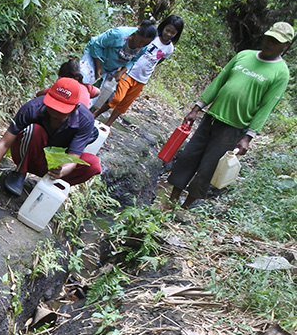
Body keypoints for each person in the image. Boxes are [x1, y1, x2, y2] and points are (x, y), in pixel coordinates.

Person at [166, 21, 293, 209]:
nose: (270, 43)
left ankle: (184, 207)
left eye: (276, 41)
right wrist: (197, 108)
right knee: (189, 156)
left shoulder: (281, 73)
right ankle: (171, 200)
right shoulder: (244, 55)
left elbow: (267, 106)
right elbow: (218, 82)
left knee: (208, 168)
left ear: (286, 45)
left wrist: (248, 137)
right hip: (212, 118)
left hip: (234, 127)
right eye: (269, 38)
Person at [0, 77, 102, 198]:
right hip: (29, 154)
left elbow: (73, 157)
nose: (55, 113)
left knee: (93, 165)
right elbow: (4, 142)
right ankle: (20, 172)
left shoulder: (85, 120)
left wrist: (62, 170)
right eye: (53, 107)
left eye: (61, 111)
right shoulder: (33, 107)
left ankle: (49, 184)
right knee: (34, 130)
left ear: (75, 107)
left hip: (55, 166)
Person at [94, 15, 184, 126]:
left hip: (142, 79)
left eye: (173, 33)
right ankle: (96, 114)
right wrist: (121, 68)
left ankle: (108, 124)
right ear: (163, 27)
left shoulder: (169, 48)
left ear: (177, 34)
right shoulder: (151, 37)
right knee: (116, 98)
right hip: (129, 72)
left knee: (124, 104)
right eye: (167, 30)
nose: (168, 34)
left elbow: (158, 62)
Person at [79, 20, 159, 86]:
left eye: (146, 44)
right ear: (136, 33)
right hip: (94, 57)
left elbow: (133, 61)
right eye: (141, 42)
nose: (142, 45)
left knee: (95, 94)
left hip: (109, 68)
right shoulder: (119, 35)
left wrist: (121, 72)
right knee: (82, 80)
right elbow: (97, 45)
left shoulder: (143, 48)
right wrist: (98, 67)